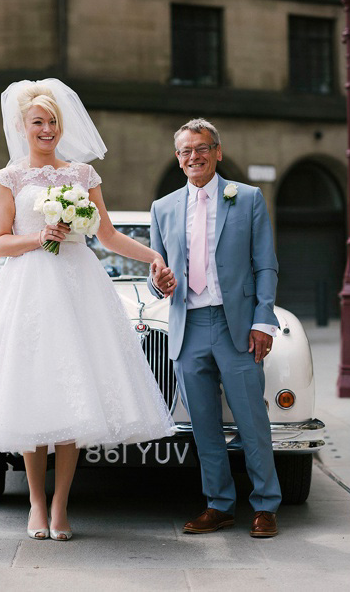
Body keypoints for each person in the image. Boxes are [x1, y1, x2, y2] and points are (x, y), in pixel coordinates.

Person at [0, 79, 175, 541]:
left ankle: (61, 506)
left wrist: (152, 256)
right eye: (38, 122)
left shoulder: (82, 176)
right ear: (22, 126)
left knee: (74, 397)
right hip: (29, 289)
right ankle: (34, 501)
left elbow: (106, 236)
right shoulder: (8, 179)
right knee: (34, 395)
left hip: (79, 289)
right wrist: (41, 236)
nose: (47, 129)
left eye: (53, 122)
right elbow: (0, 243)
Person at [147, 118, 281, 538]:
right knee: (204, 424)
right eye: (185, 151)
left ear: (217, 152)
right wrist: (159, 282)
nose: (193, 156)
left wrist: (263, 320)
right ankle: (219, 504)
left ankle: (265, 506)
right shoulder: (163, 208)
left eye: (201, 148)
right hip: (187, 328)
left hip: (236, 325)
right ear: (178, 158)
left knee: (251, 419)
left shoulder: (249, 198)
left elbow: (266, 265)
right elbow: (157, 272)